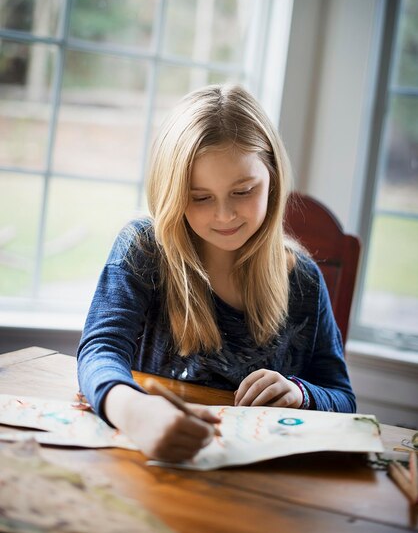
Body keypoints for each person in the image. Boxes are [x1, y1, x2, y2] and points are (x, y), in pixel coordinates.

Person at [77, 84, 356, 463]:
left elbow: (341, 395)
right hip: (150, 464)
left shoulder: (303, 279)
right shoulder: (144, 248)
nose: (224, 215)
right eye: (200, 197)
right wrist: (134, 412)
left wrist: (301, 394)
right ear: (172, 193)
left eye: (243, 191)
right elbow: (100, 350)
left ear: (272, 177)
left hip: (261, 483)